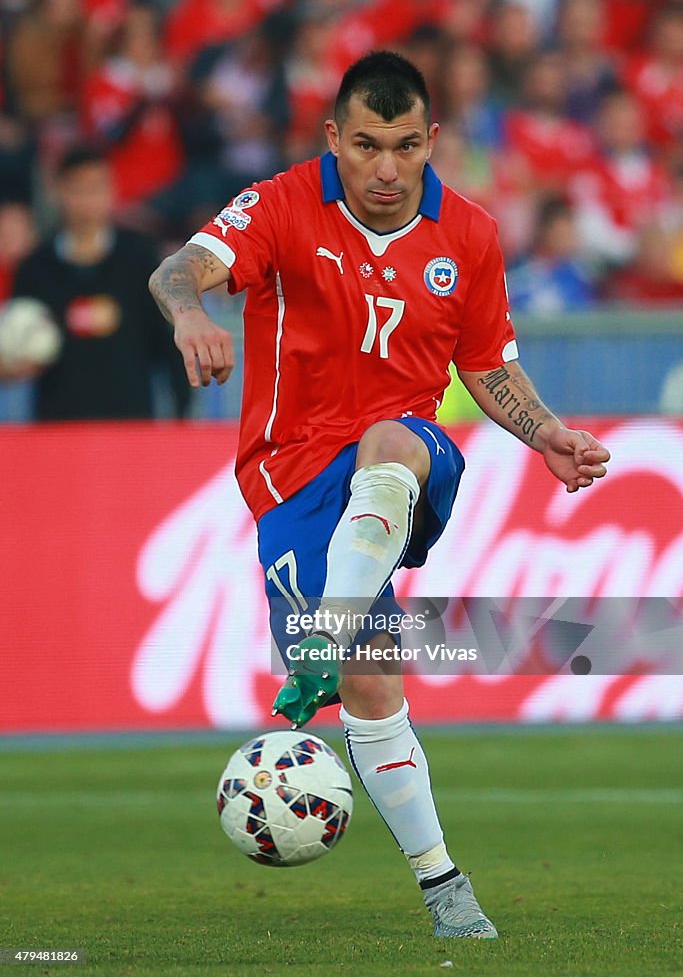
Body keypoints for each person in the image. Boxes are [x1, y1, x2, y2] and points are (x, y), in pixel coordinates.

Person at [149, 52, 610, 940]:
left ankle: (325, 635)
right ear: (335, 140)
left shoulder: (467, 234)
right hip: (289, 481)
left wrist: (546, 431)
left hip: (404, 460)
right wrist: (190, 314)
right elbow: (180, 267)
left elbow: (483, 362)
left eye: (405, 146)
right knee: (370, 681)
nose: (388, 169)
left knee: (391, 443)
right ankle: (443, 885)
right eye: (367, 146)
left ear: (431, 139)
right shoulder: (281, 205)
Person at [7, 145, 189, 421]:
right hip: (58, 425)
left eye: (97, 188)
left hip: (131, 423)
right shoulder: (34, 268)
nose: (89, 199)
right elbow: (16, 339)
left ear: (111, 191)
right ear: (59, 192)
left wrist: (181, 410)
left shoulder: (140, 259)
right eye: (79, 189)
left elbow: (166, 339)